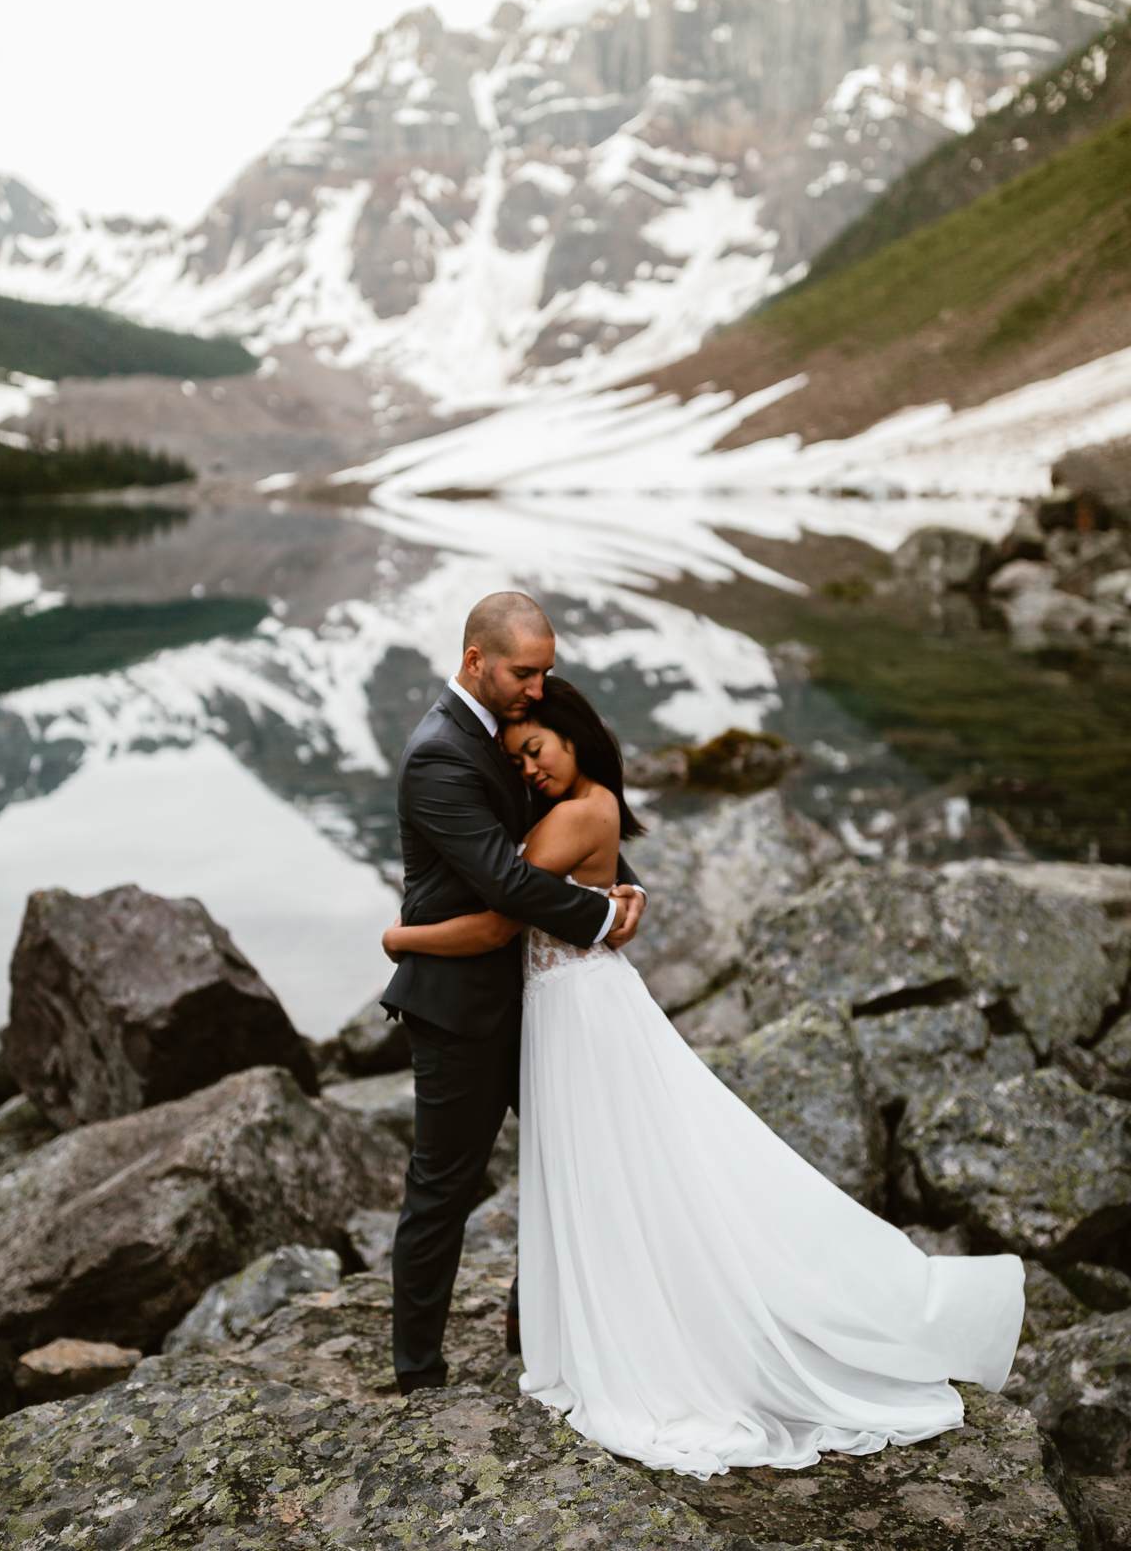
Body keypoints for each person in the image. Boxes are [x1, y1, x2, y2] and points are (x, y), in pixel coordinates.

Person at [383, 673, 1028, 1479]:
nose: (528, 770)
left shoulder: (573, 808)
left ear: (574, 737)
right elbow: (565, 879)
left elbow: (502, 908)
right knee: (590, 1169)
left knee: (595, 1169)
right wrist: (613, 900)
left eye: (536, 750)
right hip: (562, 1005)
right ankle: (539, 1327)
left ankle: (569, 1335)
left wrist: (399, 940)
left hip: (572, 1012)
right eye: (519, 759)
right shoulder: (546, 790)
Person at [381, 591, 647, 1396]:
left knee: (572, 1163)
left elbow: (565, 814)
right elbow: (503, 882)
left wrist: (623, 884)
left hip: (540, 1003)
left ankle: (536, 1325)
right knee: (443, 1190)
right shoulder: (440, 754)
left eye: (545, 672)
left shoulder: (502, 735)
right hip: (462, 1010)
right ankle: (417, 1374)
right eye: (524, 671)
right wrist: (603, 916)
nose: (537, 685)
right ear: (475, 661)